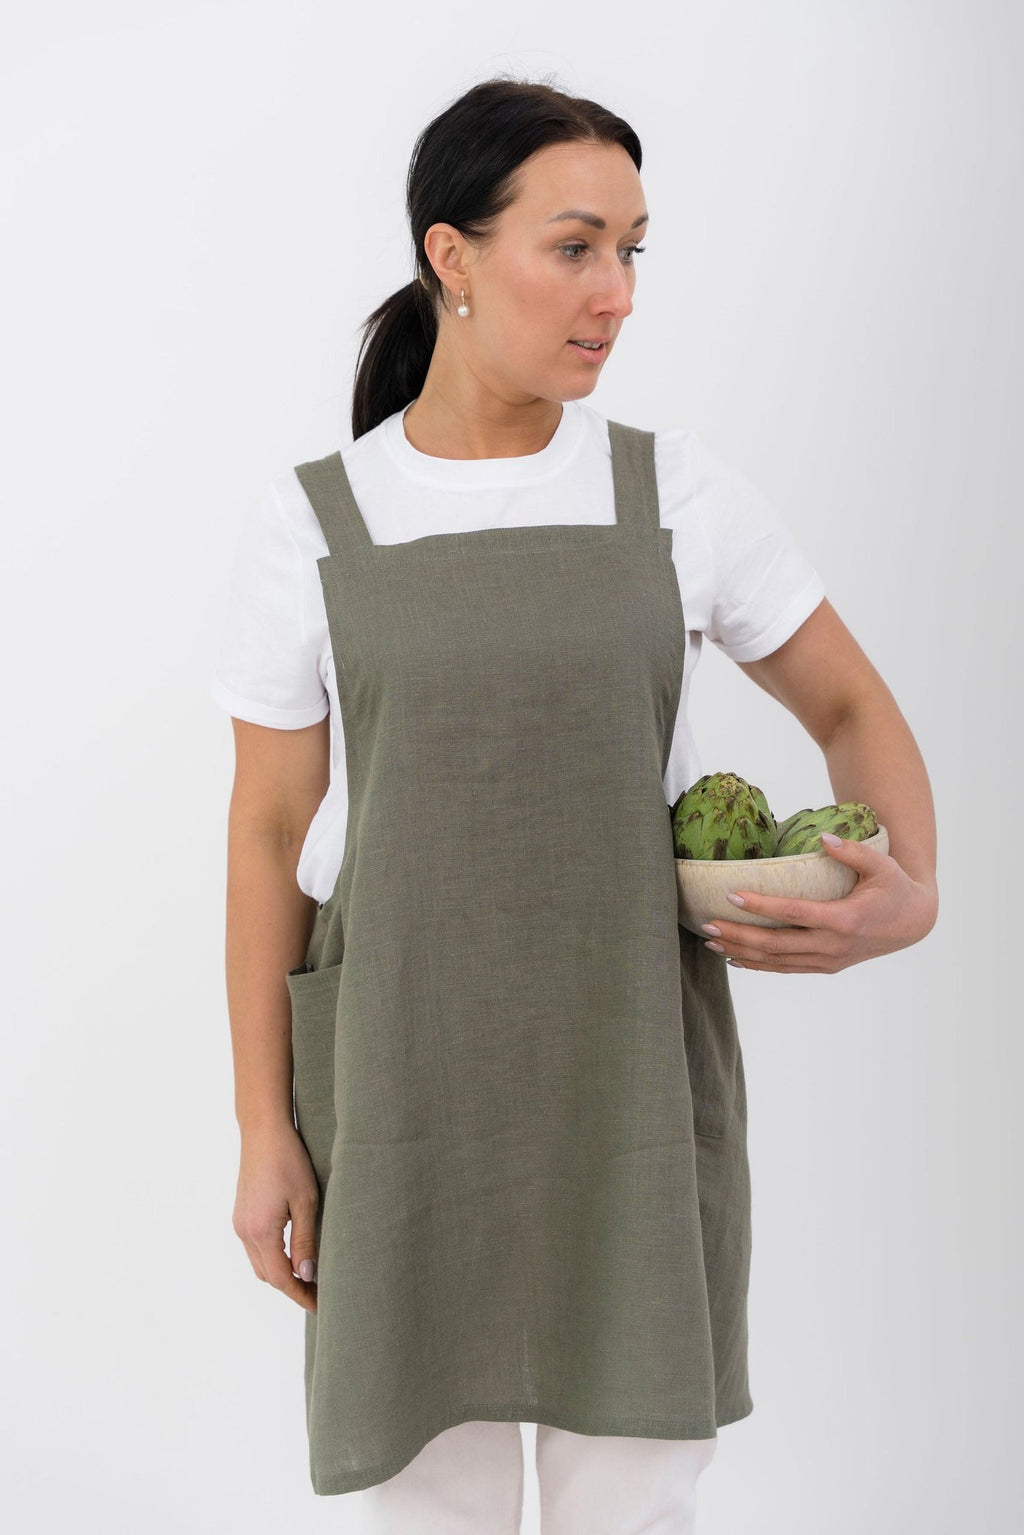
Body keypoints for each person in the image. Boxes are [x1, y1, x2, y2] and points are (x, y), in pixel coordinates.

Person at [211, 76, 939, 1534]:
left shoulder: (679, 496)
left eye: (634, 252)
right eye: (577, 246)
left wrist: (911, 890)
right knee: (430, 1510)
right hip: (402, 1095)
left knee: (636, 1507)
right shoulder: (315, 522)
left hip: (630, 1086)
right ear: (452, 256)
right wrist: (263, 1132)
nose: (616, 293)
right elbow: (268, 839)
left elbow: (853, 706)